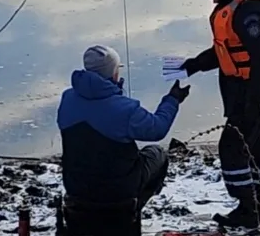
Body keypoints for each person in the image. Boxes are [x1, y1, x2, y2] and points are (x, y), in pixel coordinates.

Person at [180, 0, 260, 229]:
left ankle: (249, 209)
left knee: (232, 147)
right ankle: (259, 210)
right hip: (248, 91)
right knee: (257, 151)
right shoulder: (234, 5)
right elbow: (227, 51)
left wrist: (255, 100)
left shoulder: (249, 9)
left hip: (256, 92)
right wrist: (194, 65)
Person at [57, 44, 190, 211]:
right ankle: (132, 208)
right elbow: (158, 129)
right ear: (113, 72)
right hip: (119, 189)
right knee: (158, 154)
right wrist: (173, 99)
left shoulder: (67, 99)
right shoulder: (125, 109)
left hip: (76, 186)